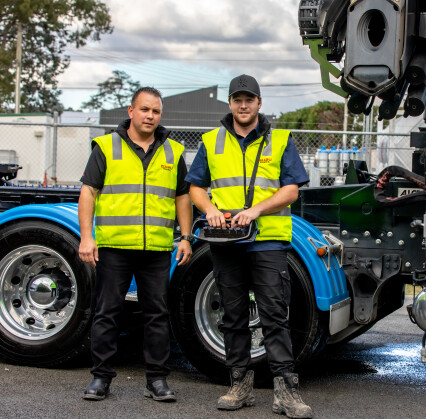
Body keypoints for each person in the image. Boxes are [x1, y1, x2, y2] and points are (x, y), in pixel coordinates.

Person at [186, 74, 312, 418]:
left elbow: (291, 190)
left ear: (259, 103)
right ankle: (239, 385)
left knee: (274, 314)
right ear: (230, 103)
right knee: (233, 315)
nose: (243, 106)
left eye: (249, 100)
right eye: (237, 100)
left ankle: (286, 391)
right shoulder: (211, 141)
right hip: (227, 241)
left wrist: (256, 210)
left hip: (267, 240)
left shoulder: (280, 140)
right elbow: (195, 187)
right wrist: (210, 210)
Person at [78, 87, 192, 402]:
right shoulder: (106, 146)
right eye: (144, 109)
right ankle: (100, 378)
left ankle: (156, 380)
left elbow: (182, 197)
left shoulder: (173, 151)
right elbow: (88, 192)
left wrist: (185, 237)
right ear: (131, 111)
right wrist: (87, 237)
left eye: (155, 111)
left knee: (157, 314)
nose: (150, 116)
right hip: (114, 247)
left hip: (156, 249)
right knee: (107, 312)